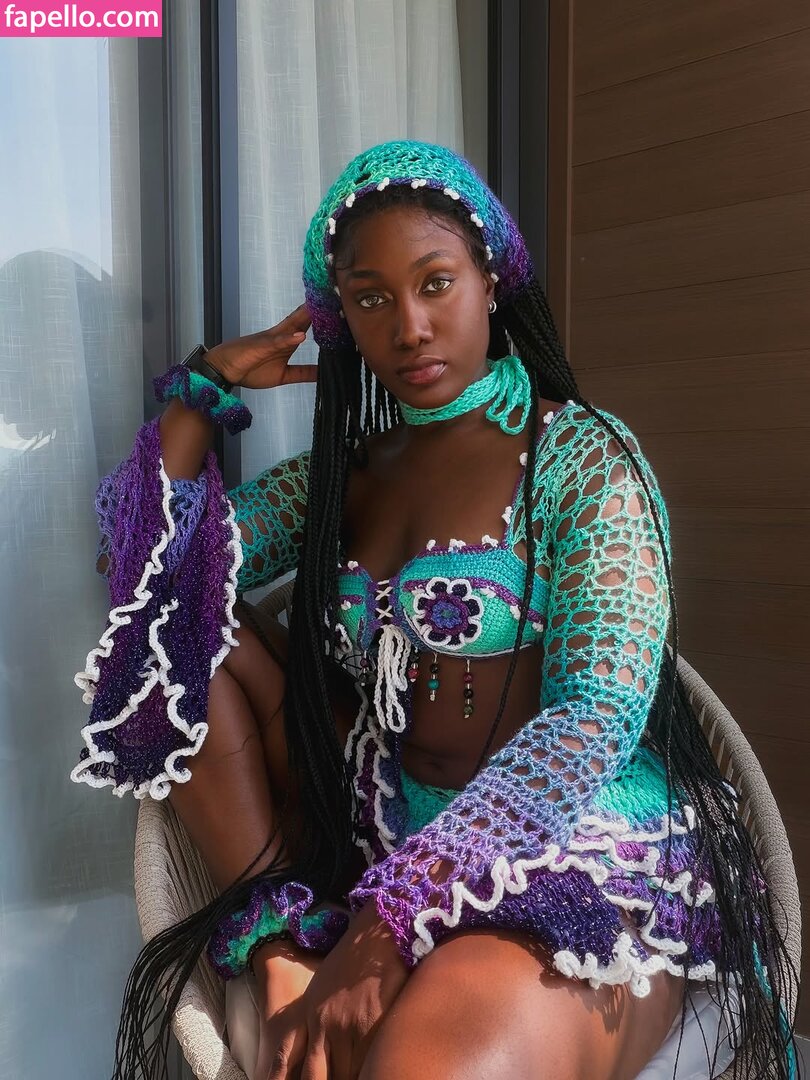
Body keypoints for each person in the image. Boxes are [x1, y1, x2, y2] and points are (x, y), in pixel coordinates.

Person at [72, 140, 797, 1080]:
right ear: (341, 320)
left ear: (490, 282)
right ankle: (279, 946)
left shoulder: (583, 457)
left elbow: (596, 716)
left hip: (570, 838)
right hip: (385, 810)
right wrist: (202, 388)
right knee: (177, 630)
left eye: (435, 282)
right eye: (371, 298)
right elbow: (144, 573)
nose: (409, 326)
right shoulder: (344, 477)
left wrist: (390, 918)